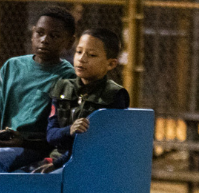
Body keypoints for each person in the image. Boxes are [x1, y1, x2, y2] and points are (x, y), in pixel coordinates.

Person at [0, 6, 76, 173]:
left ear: (69, 41)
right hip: (2, 144)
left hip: (34, 148)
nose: (44, 40)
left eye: (54, 36)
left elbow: (59, 132)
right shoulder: (13, 65)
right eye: (40, 33)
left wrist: (22, 141)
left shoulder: (67, 76)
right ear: (32, 33)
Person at [30, 28, 130, 174]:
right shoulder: (62, 87)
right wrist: (69, 130)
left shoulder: (114, 95)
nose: (82, 59)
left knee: (45, 180)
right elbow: (51, 135)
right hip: (57, 158)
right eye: (78, 52)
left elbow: (100, 145)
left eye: (92, 55)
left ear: (111, 64)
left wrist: (57, 164)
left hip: (90, 165)